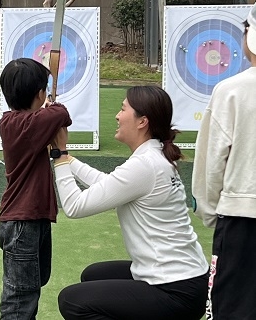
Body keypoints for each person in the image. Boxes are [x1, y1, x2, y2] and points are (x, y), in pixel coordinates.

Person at [51, 85, 209, 320]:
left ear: (142, 121)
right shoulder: (153, 157)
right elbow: (110, 186)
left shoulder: (145, 165)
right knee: (93, 275)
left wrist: (60, 156)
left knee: (72, 301)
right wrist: (67, 158)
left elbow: (74, 206)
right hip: (188, 280)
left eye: (123, 109)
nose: (117, 115)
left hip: (176, 291)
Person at [192, 4, 256, 320]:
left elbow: (209, 166)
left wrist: (210, 212)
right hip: (238, 212)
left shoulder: (231, 90)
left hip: (241, 220)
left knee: (233, 308)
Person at [0, 57, 72, 319]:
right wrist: (51, 107)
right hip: (22, 221)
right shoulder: (23, 124)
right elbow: (62, 114)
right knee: (20, 297)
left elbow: (52, 118)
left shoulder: (16, 122)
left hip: (29, 218)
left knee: (31, 287)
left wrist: (44, 107)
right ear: (40, 94)